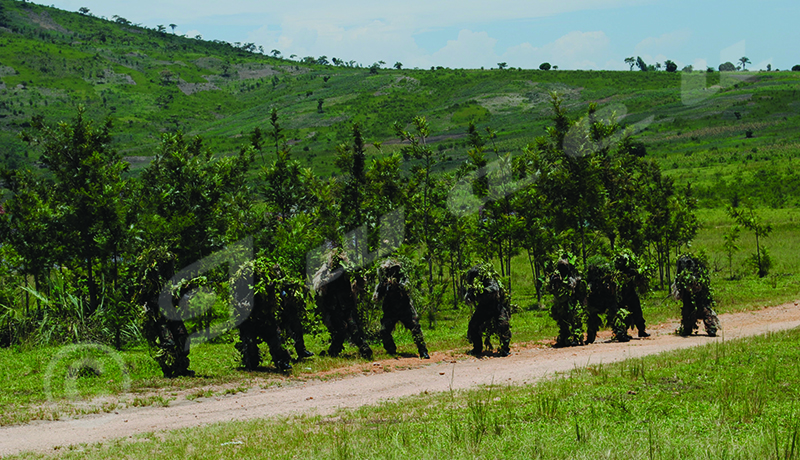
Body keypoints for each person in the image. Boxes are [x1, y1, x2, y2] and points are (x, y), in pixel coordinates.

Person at [139, 250, 194, 378]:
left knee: (183, 337)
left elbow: (178, 298)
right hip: (160, 317)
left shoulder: (173, 281)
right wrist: (148, 310)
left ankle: (181, 368)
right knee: (168, 343)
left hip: (173, 314)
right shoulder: (151, 281)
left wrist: (186, 291)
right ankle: (168, 370)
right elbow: (143, 298)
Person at [231, 260, 295, 372]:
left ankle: (282, 361)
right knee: (249, 344)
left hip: (265, 317)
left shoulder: (268, 284)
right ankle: (252, 363)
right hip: (249, 320)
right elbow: (237, 302)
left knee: (276, 339)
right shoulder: (242, 287)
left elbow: (275, 299)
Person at [312, 249, 373, 359]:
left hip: (347, 303)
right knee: (341, 329)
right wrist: (333, 275)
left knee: (354, 327)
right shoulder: (326, 269)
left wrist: (357, 275)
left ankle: (364, 348)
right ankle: (334, 350)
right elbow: (318, 285)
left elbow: (360, 284)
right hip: (333, 306)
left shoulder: (348, 268)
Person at [372, 259, 430, 359]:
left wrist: (398, 286)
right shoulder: (383, 282)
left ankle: (423, 350)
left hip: (404, 308)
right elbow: (377, 297)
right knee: (384, 330)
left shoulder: (402, 278)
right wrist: (385, 287)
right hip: (390, 310)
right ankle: (391, 349)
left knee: (415, 328)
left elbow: (407, 287)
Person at [463, 263, 511, 357]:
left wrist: (482, 292)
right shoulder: (473, 285)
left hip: (496, 306)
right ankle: (477, 348)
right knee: (473, 325)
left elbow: (494, 289)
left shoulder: (489, 279)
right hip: (484, 307)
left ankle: (505, 348)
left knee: (503, 325)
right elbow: (468, 297)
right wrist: (470, 296)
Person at [673, 254, 721, 337]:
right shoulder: (682, 274)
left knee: (705, 310)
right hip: (688, 295)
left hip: (699, 294)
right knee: (687, 311)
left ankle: (711, 328)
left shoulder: (698, 272)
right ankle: (687, 328)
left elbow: (703, 284)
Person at [585, 257, 630, 344]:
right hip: (597, 301)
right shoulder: (593, 283)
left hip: (605, 300)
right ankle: (591, 336)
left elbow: (613, 290)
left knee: (615, 315)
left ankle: (620, 333)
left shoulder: (608, 282)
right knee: (593, 318)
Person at [547, 254, 586, 347]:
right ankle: (564, 339)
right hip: (561, 303)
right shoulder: (556, 277)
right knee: (563, 322)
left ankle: (577, 338)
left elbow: (578, 289)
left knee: (575, 321)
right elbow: (550, 289)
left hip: (572, 302)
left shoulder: (573, 278)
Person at [615, 251, 650, 338]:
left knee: (637, 312)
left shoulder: (630, 271)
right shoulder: (618, 273)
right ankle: (623, 332)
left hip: (631, 294)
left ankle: (641, 330)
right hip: (623, 296)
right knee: (624, 315)